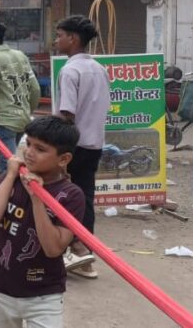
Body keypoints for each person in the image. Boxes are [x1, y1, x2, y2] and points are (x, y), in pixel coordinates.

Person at [0, 116, 85, 328]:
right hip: (0, 287)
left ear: (63, 159)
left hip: (43, 296)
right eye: (28, 144)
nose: (29, 152)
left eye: (40, 149)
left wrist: (37, 198)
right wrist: (10, 175)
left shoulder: (71, 195)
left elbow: (53, 248)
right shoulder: (13, 177)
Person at [53, 15, 110, 280]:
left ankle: (74, 246)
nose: (56, 41)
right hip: (94, 143)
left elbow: (67, 114)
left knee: (60, 197)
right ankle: (85, 255)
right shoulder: (99, 69)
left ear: (73, 38)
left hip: (72, 145)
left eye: (59, 36)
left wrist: (57, 149)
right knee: (85, 197)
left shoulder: (70, 71)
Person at [0, 21, 41, 175]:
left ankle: (7, 191)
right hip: (23, 119)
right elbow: (36, 89)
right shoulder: (20, 55)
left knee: (7, 168)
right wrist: (27, 110)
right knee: (12, 163)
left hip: (5, 121)